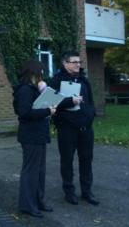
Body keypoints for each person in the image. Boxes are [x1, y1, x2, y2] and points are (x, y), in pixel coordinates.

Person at [49, 51, 99, 206]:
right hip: (67, 128)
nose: (78, 64)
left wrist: (91, 114)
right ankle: (69, 192)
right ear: (65, 64)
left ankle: (87, 192)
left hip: (85, 127)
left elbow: (90, 101)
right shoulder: (56, 81)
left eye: (79, 62)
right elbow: (50, 103)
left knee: (86, 160)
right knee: (67, 161)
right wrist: (70, 101)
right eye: (74, 62)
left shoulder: (84, 80)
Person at [13, 60, 56, 218]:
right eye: (41, 71)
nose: (43, 74)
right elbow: (24, 113)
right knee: (31, 171)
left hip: (38, 134)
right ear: (34, 73)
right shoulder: (25, 90)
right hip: (30, 135)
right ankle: (27, 205)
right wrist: (47, 111)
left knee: (39, 171)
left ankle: (38, 201)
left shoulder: (34, 89)